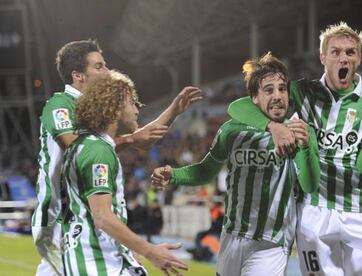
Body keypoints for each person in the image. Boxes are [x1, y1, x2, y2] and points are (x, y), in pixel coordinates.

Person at [227, 22, 362, 275]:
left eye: (350, 52)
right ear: (322, 57)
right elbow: (237, 107)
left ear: (358, 58)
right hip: (314, 212)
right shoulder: (302, 91)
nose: (343, 58)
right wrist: (273, 126)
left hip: (359, 211)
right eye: (335, 52)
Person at [31, 39, 201, 275]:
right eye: (99, 66)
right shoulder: (60, 104)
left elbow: (141, 136)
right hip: (59, 216)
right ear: (78, 75)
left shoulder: (97, 121)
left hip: (81, 214)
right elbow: (75, 146)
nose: (108, 72)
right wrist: (129, 139)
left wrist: (173, 110)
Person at [151, 52, 320, 276]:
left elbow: (309, 184)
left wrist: (307, 147)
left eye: (282, 88)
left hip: (272, 241)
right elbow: (205, 170)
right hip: (232, 236)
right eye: (269, 90)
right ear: (254, 98)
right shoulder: (232, 131)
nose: (278, 95)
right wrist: (173, 175)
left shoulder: (298, 130)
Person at [61, 70, 188, 275]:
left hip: (96, 258)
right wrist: (149, 251)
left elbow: (143, 139)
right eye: (132, 101)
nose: (137, 108)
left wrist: (130, 250)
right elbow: (102, 216)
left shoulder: (89, 145)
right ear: (115, 106)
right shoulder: (98, 151)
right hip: (99, 264)